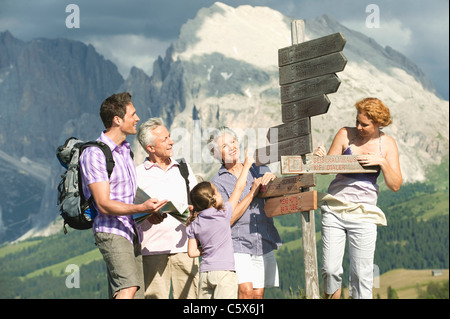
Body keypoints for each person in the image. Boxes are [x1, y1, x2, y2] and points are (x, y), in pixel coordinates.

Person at [79, 92, 167, 299]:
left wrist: (147, 213)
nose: (138, 119)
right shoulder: (95, 154)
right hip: (111, 231)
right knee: (128, 289)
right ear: (117, 120)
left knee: (133, 293)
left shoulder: (125, 151)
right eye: (133, 114)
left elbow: (128, 195)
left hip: (131, 231)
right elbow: (103, 204)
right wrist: (141, 209)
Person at [314, 97, 402, 299]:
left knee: (362, 276)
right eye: (357, 121)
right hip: (334, 209)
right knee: (330, 270)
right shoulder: (345, 134)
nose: (359, 127)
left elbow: (396, 184)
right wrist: (320, 159)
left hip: (364, 214)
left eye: (365, 124)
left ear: (378, 123)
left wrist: (382, 162)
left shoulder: (387, 144)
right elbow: (326, 169)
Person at [208, 127, 282, 299]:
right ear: (218, 154)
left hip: (261, 238)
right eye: (225, 146)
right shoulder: (217, 182)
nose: (232, 147)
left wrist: (272, 182)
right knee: (246, 292)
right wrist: (252, 193)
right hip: (237, 242)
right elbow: (228, 218)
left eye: (233, 142)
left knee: (258, 294)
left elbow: (276, 200)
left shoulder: (257, 168)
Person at [136, 118, 199, 299]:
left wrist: (194, 209)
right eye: (164, 139)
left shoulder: (183, 169)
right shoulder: (137, 175)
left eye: (169, 137)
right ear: (150, 148)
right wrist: (147, 214)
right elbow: (130, 211)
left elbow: (199, 201)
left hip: (185, 248)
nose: (171, 141)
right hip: (152, 251)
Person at [186, 153, 260, 299]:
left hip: (205, 273)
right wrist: (246, 166)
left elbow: (192, 253)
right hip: (224, 273)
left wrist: (207, 248)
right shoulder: (223, 214)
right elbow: (239, 188)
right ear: (214, 198)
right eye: (218, 192)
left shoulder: (194, 223)